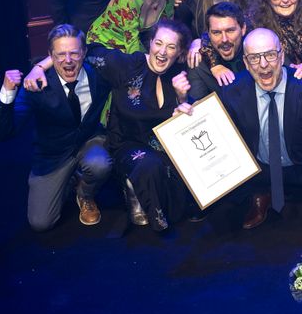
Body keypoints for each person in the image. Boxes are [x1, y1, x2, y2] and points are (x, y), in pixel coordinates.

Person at [25, 19, 193, 231]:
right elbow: (85, 50)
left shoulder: (178, 77)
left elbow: (185, 118)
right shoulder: (126, 65)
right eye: (158, 43)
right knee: (150, 166)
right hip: (127, 143)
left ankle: (142, 189)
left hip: (159, 144)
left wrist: (182, 98)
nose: (162, 51)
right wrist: (40, 66)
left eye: (171, 46)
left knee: (182, 178)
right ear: (149, 43)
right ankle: (130, 184)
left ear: (178, 52)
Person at [207, 28, 302, 245]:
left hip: (301, 165)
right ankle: (261, 194)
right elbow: (208, 124)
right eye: (255, 58)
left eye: (270, 55)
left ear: (281, 55)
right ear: (246, 63)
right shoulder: (232, 92)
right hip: (260, 171)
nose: (264, 64)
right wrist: (184, 108)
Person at [0, 24, 112, 231]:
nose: (68, 60)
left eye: (74, 53)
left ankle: (85, 194)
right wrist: (7, 92)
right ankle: (69, 179)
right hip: (54, 155)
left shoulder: (98, 75)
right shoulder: (36, 85)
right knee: (41, 223)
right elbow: (6, 132)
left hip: (88, 141)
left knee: (100, 164)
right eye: (60, 54)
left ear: (84, 53)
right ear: (50, 55)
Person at [188, 2, 247, 99]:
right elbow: (198, 106)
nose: (224, 39)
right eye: (216, 32)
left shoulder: (257, 56)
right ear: (208, 34)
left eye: (230, 30)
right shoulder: (199, 62)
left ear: (243, 29)